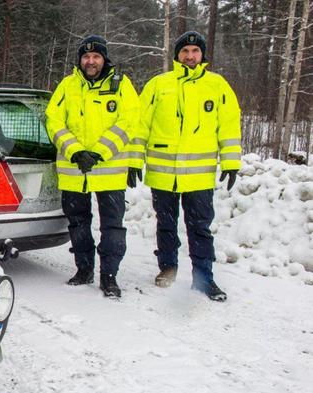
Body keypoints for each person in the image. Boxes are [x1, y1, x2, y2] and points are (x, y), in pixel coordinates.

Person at [138, 31, 242, 301]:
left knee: (200, 227)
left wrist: (231, 161)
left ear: (202, 55)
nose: (190, 56)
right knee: (166, 224)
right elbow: (140, 126)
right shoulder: (159, 84)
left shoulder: (217, 86)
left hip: (199, 176)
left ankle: (204, 278)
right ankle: (168, 267)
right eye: (185, 51)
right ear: (177, 55)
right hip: (164, 174)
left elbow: (229, 126)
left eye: (195, 51)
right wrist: (134, 160)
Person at [45, 35, 143, 298]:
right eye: (86, 56)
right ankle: (84, 269)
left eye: (96, 56)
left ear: (104, 59)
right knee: (78, 224)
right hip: (74, 171)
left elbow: (129, 121)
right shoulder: (67, 86)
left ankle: (109, 276)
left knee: (112, 227)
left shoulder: (121, 85)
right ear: (80, 60)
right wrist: (75, 152)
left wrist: (99, 152)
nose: (91, 61)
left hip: (109, 172)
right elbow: (53, 121)